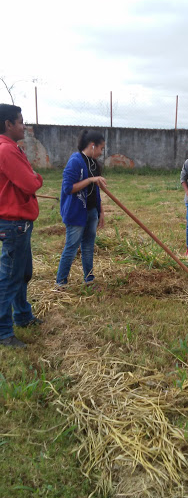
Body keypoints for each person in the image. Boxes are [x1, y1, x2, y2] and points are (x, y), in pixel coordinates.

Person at [0, 104, 43, 348]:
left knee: (22, 274)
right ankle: (4, 331)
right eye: (20, 122)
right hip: (14, 223)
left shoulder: (10, 149)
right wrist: (38, 177)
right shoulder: (6, 150)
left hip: (18, 222)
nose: (24, 126)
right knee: (9, 278)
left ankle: (23, 315)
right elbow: (30, 183)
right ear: (8, 124)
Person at [55, 129, 107, 288]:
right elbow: (68, 188)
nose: (101, 152)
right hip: (76, 211)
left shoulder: (93, 163)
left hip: (91, 211)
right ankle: (61, 282)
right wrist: (91, 179)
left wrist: (101, 210)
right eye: (101, 149)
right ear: (92, 146)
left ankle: (89, 279)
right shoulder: (75, 160)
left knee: (88, 246)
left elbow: (95, 190)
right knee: (71, 247)